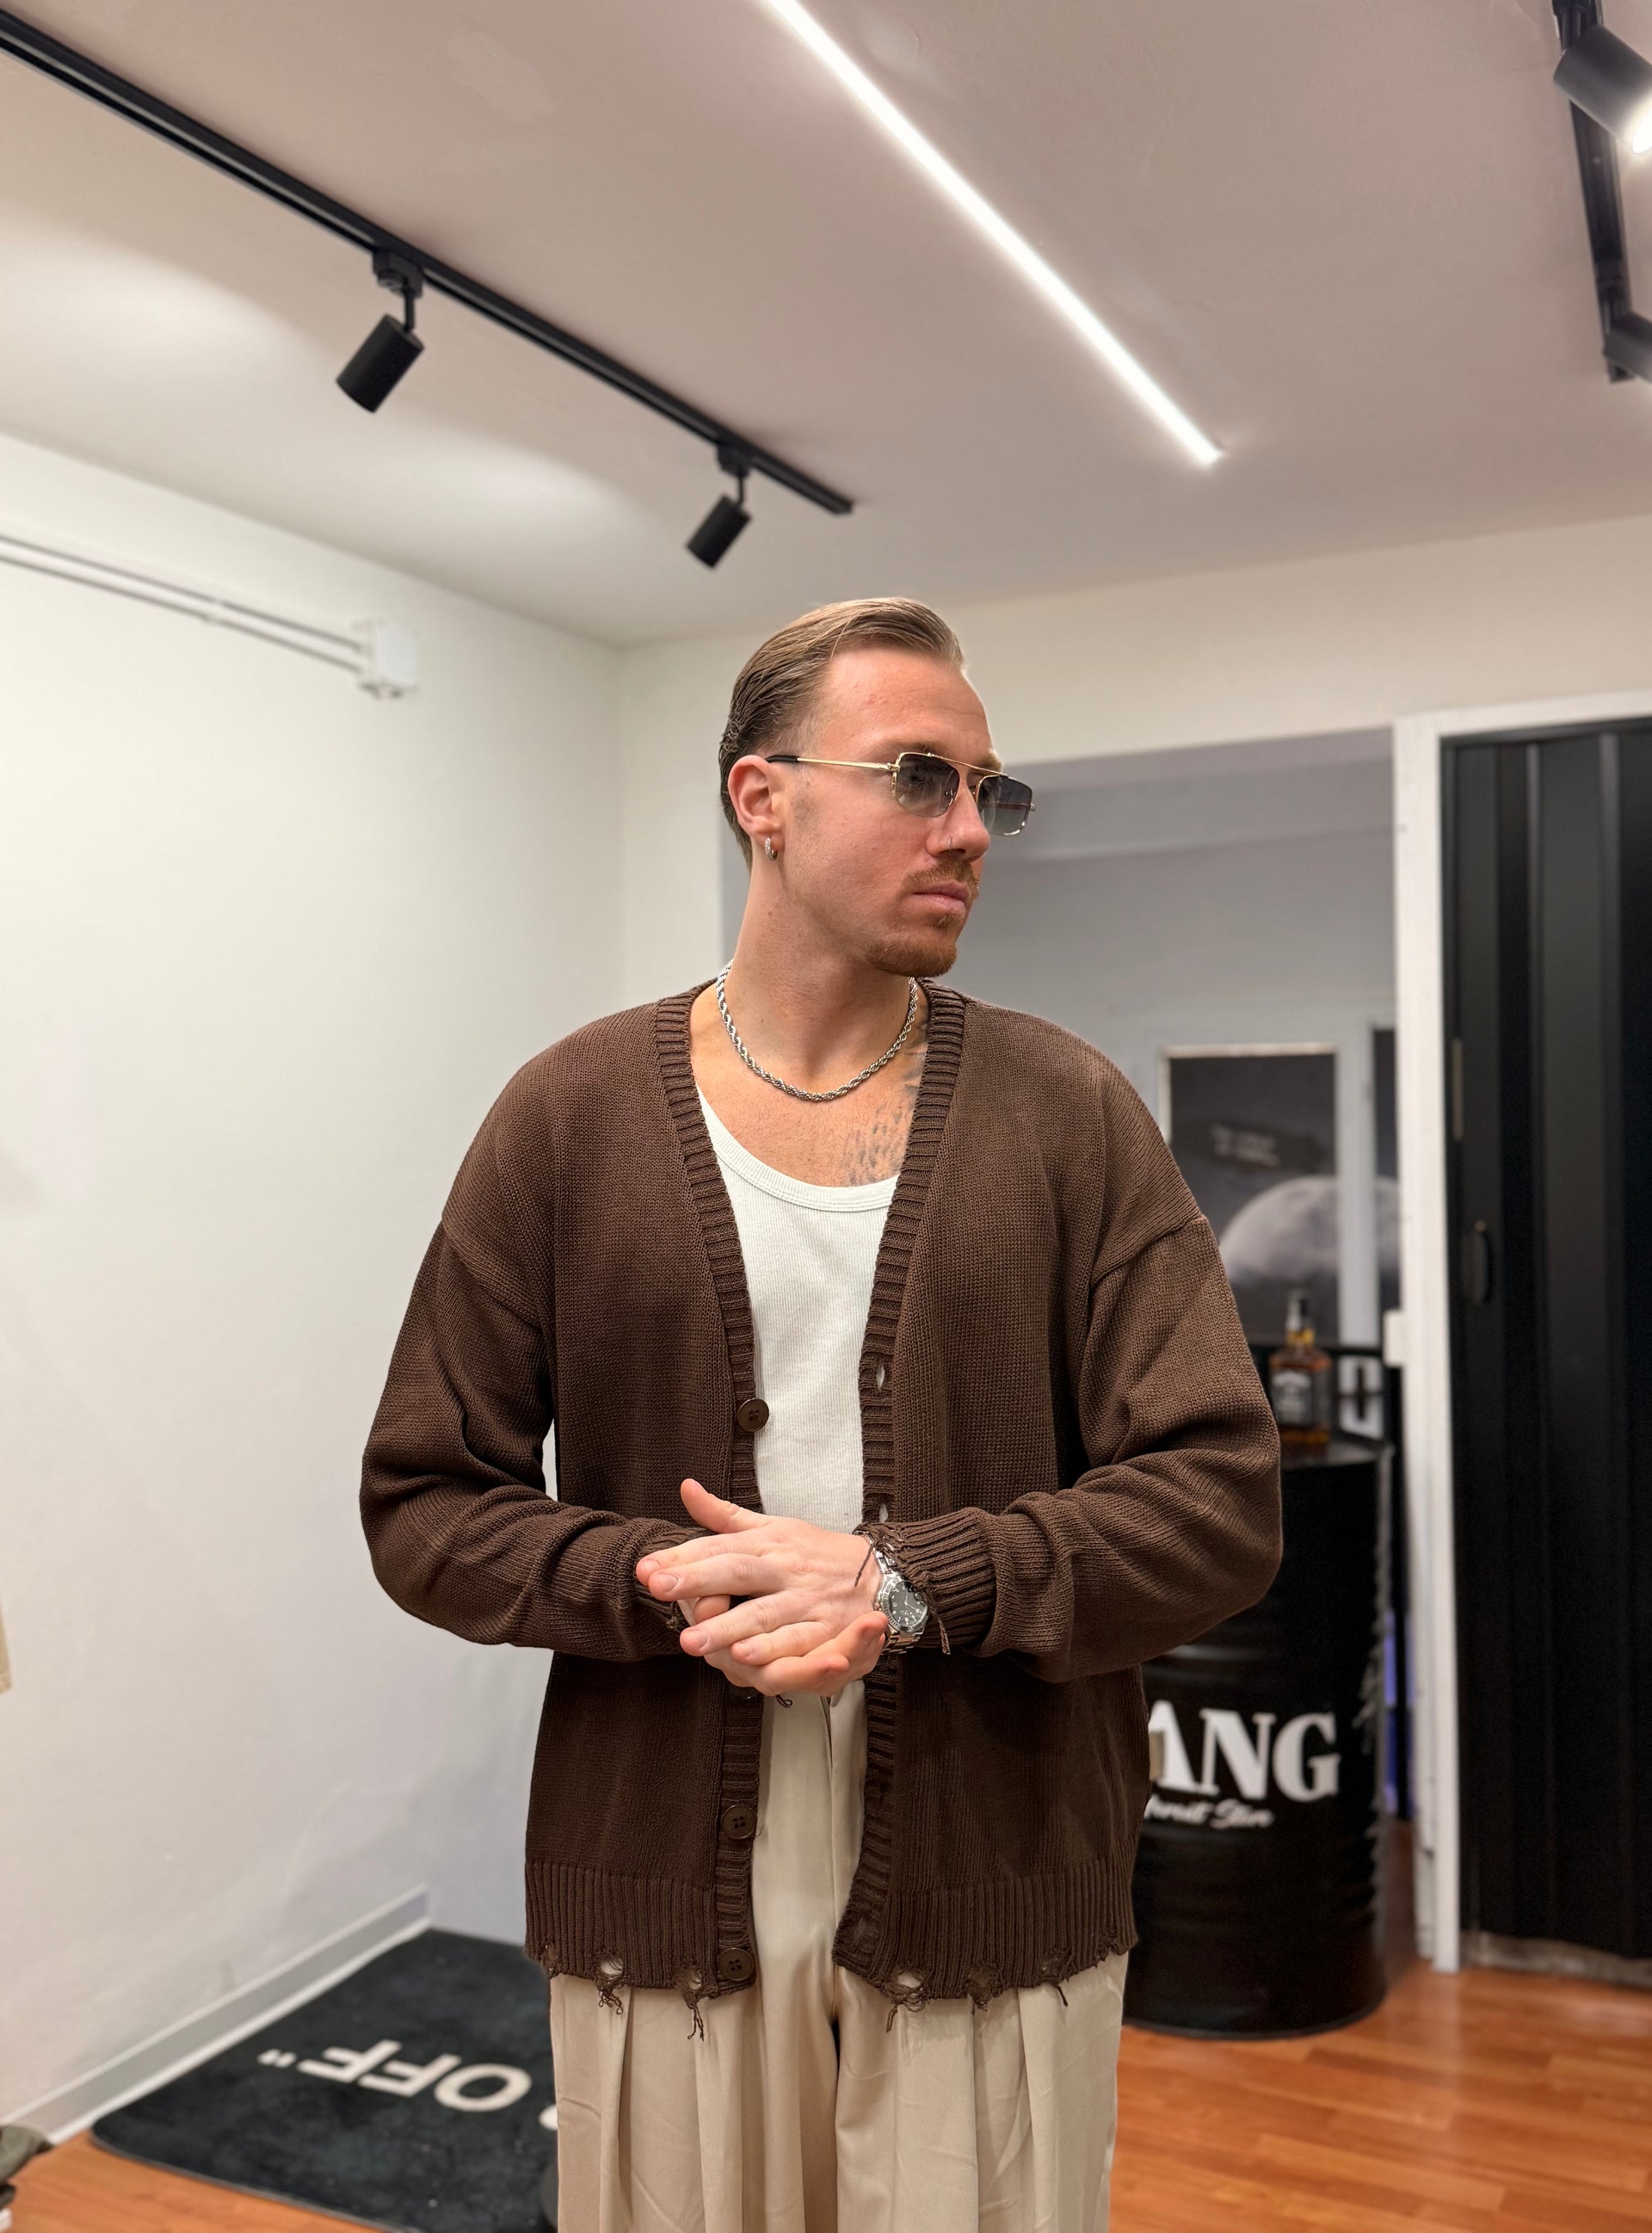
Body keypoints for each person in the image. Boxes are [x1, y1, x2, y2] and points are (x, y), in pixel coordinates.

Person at [361, 597, 1281, 2233]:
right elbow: (426, 1505)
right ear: (761, 797)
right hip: (663, 1889)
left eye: (988, 791)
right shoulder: (568, 1117)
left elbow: (1217, 1498)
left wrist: (901, 1581)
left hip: (992, 1872)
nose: (969, 830)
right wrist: (680, 1585)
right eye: (918, 776)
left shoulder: (1068, 1114)